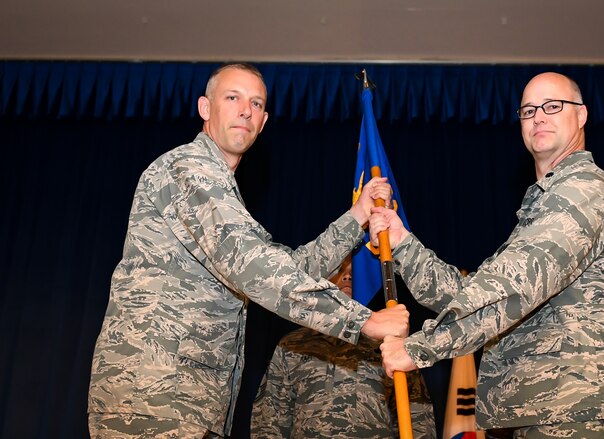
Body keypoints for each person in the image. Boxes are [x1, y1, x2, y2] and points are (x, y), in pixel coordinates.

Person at [87, 62, 409, 438]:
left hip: (187, 401)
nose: (245, 110)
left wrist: (357, 216)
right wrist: (363, 321)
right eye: (233, 97)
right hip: (153, 394)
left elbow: (288, 267)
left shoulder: (224, 192)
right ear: (205, 108)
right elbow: (256, 267)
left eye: (256, 104)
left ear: (264, 120)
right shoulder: (188, 169)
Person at [369, 72, 604, 438]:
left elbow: (516, 284)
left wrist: (419, 348)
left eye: (553, 106)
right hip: (541, 412)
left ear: (581, 115)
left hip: (582, 410)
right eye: (528, 110)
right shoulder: (542, 206)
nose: (539, 116)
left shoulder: (586, 189)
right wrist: (402, 241)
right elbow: (470, 294)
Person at [250, 254, 437, 438]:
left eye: (353, 271)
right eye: (339, 270)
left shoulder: (391, 344)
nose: (347, 276)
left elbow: (419, 419)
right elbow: (269, 419)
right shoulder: (293, 344)